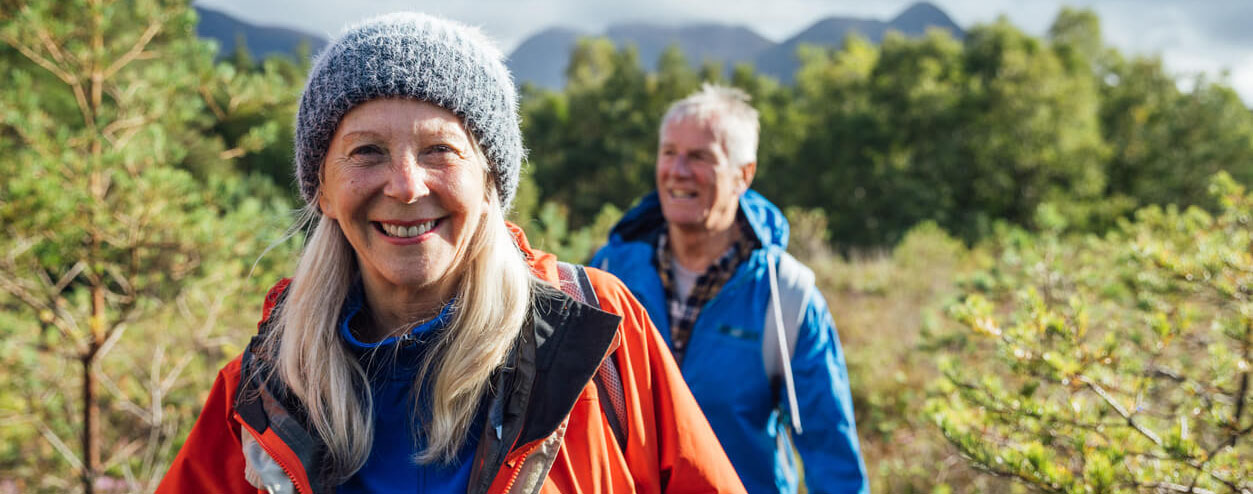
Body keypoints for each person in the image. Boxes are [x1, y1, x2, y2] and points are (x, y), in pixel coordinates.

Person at [157, 14, 744, 494]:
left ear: (491, 183)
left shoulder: (597, 339)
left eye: (441, 149)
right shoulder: (263, 387)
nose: (407, 186)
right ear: (322, 190)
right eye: (367, 152)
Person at [591, 84, 869, 494]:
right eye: (669, 153)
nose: (678, 170)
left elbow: (831, 455)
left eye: (700, 157)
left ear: (744, 174)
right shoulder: (609, 274)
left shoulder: (787, 298)